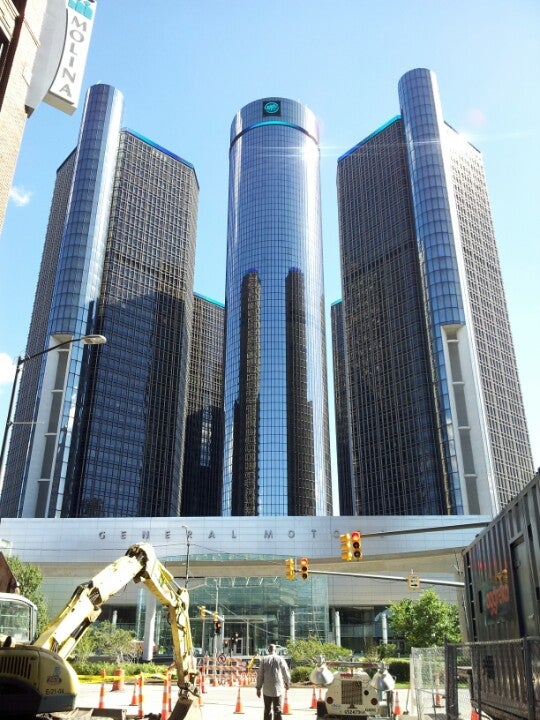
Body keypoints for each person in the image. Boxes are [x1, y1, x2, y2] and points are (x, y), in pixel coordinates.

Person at [256, 643, 291, 720]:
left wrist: (258, 688)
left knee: (267, 709)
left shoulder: (264, 659)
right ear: (276, 650)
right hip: (277, 689)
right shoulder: (280, 659)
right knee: (277, 709)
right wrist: (287, 683)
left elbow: (260, 675)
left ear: (268, 650)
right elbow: (285, 671)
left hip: (267, 689)